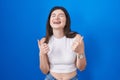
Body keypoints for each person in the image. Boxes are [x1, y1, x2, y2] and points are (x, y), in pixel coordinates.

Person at [38, 6, 87, 80]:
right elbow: (45, 71)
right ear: (49, 21)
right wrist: (41, 54)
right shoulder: (44, 41)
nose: (56, 18)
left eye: (61, 15)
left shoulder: (77, 38)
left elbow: (82, 68)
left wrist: (80, 52)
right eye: (53, 15)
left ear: (66, 20)